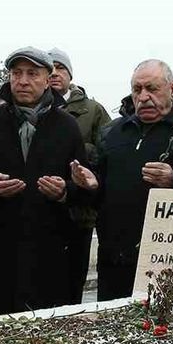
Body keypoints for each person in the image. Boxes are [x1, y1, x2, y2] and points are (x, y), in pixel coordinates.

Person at [71, 60, 173, 300]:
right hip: (115, 262)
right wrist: (92, 184)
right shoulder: (115, 132)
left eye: (152, 89)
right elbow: (101, 194)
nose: (143, 97)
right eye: (137, 89)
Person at [0, 47, 87, 315]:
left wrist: (64, 191)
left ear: (47, 79)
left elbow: (85, 187)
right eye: (16, 73)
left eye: (32, 73)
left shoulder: (67, 127)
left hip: (49, 258)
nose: (23, 81)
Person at [48, 47, 111, 303]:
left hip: (79, 214)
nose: (54, 73)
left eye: (60, 68)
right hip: (43, 210)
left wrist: (76, 150)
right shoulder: (31, 109)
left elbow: (108, 153)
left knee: (73, 282)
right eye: (50, 68)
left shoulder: (93, 110)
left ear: (70, 75)